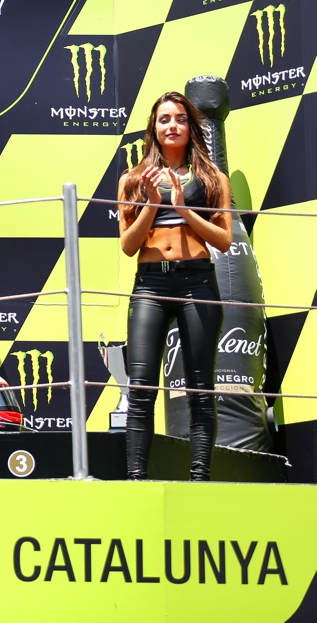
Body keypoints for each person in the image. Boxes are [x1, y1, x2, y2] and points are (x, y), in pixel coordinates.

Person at [118, 91, 232, 481]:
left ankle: (200, 481)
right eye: (164, 119)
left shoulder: (212, 178)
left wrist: (184, 209)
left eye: (180, 118)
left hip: (196, 281)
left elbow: (224, 240)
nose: (172, 125)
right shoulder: (133, 179)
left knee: (201, 388)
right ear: (153, 128)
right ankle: (136, 479)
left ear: (191, 127)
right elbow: (129, 246)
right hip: (150, 284)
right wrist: (152, 203)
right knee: (141, 387)